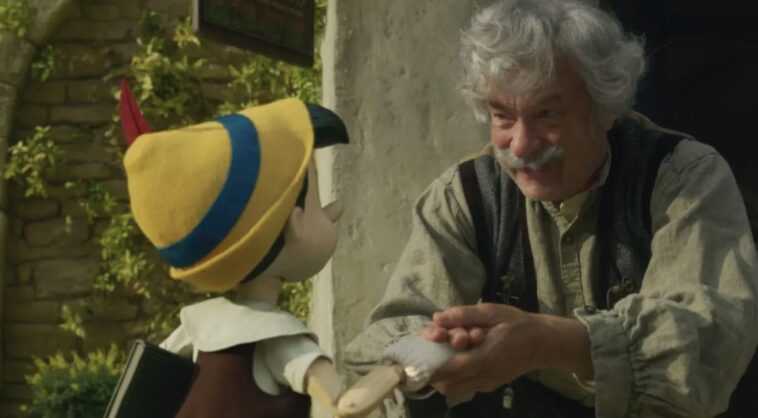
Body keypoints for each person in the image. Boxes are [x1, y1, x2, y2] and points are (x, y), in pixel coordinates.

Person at [344, 1, 758, 417]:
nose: (522, 145)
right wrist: (434, 349)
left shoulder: (682, 179)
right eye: (503, 117)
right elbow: (386, 338)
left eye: (547, 115)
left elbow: (708, 345)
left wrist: (549, 342)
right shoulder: (466, 195)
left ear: (604, 109)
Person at [120, 94, 349, 418]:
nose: (332, 212)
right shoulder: (279, 339)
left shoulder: (195, 328)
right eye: (315, 203)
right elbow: (343, 403)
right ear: (295, 224)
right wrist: (394, 371)